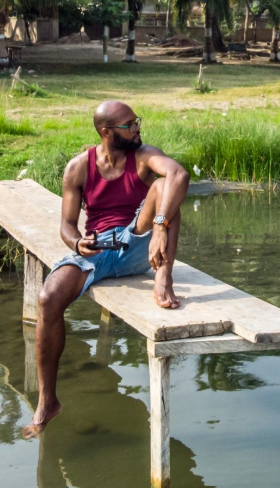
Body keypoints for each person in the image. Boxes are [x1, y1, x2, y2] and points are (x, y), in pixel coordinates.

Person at [25, 101, 190, 437]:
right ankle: (47, 402)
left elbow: (178, 174)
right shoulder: (78, 168)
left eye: (136, 121)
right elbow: (67, 226)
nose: (138, 128)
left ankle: (163, 276)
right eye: (129, 125)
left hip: (140, 239)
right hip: (99, 247)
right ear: (106, 132)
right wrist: (76, 244)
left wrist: (159, 226)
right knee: (47, 298)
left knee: (165, 187)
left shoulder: (144, 156)